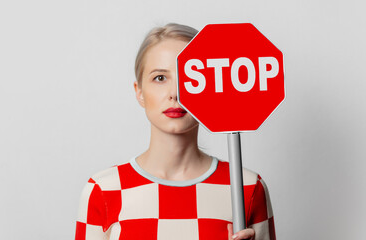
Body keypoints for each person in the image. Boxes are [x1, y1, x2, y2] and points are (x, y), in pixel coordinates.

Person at [74, 23, 275, 240]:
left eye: (191, 76)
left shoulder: (247, 187)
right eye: (160, 78)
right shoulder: (104, 190)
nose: (175, 93)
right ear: (139, 92)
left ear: (210, 86)